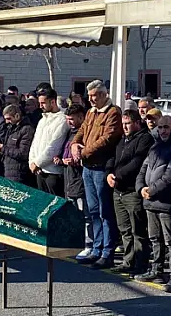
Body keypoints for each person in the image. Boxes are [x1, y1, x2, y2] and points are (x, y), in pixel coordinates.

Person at [70, 80, 123, 268]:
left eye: (94, 95)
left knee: (104, 211)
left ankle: (107, 251)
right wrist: (75, 145)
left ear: (103, 94)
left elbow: (107, 139)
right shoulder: (91, 112)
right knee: (92, 210)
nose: (91, 99)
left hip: (101, 167)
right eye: (89, 95)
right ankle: (96, 247)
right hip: (88, 168)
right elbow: (82, 130)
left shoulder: (113, 112)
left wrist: (83, 152)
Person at [137, 116, 171, 292]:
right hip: (150, 202)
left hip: (168, 202)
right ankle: (156, 270)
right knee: (154, 239)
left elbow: (170, 175)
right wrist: (140, 189)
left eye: (166, 127)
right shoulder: (155, 146)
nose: (163, 131)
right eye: (160, 128)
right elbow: (143, 169)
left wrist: (151, 190)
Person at [106, 109, 154, 276]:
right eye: (123, 124)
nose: (124, 127)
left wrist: (118, 176)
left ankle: (141, 264)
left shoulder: (144, 139)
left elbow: (137, 162)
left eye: (128, 123)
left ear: (136, 123)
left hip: (132, 190)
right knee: (124, 229)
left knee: (138, 230)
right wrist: (109, 174)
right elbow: (112, 158)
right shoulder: (121, 139)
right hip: (117, 190)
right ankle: (128, 261)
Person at [27, 87, 69, 196]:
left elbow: (54, 146)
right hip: (39, 170)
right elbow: (35, 143)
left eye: (43, 103)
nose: (40, 106)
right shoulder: (42, 119)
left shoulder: (63, 120)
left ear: (53, 101)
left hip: (53, 172)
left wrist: (37, 163)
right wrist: (32, 162)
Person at [61, 105, 91, 257]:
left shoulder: (84, 134)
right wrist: (61, 160)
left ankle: (88, 243)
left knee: (85, 215)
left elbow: (85, 156)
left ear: (81, 117)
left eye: (72, 119)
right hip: (69, 179)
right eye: (67, 120)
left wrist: (75, 161)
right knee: (73, 214)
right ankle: (74, 242)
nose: (69, 122)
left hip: (80, 180)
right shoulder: (70, 133)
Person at [0, 104, 34, 186]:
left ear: (17, 115)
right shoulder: (11, 128)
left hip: (19, 172)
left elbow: (23, 153)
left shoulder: (27, 129)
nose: (6, 122)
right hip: (8, 169)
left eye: (9, 118)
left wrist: (3, 149)